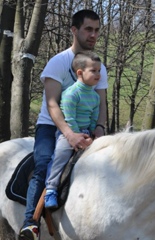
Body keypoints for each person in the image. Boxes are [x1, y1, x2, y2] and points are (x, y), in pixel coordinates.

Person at [18, 9, 108, 240]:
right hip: (52, 126)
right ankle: (31, 223)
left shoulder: (99, 67)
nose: (93, 35)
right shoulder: (58, 62)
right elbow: (52, 105)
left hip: (87, 125)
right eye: (88, 29)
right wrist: (70, 134)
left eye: (97, 30)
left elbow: (102, 104)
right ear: (74, 30)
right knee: (43, 164)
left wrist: (99, 129)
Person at [44, 50, 101, 209]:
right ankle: (51, 188)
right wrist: (78, 136)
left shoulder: (95, 97)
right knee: (61, 155)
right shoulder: (71, 93)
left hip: (86, 133)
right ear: (80, 73)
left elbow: (94, 117)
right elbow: (69, 118)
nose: (98, 74)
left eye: (99, 71)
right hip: (69, 132)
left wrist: (91, 134)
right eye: (94, 71)